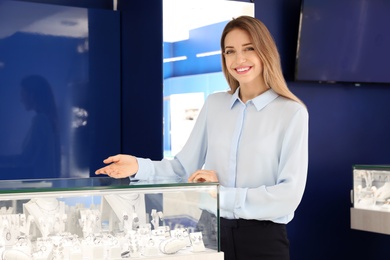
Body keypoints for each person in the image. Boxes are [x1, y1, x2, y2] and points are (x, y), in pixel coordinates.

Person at [95, 15, 308, 260]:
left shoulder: (292, 112)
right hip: (209, 232)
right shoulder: (215, 104)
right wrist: (138, 166)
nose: (239, 59)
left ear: (265, 52)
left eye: (248, 48)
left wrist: (220, 194)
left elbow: (287, 197)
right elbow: (182, 168)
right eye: (230, 51)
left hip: (262, 239)